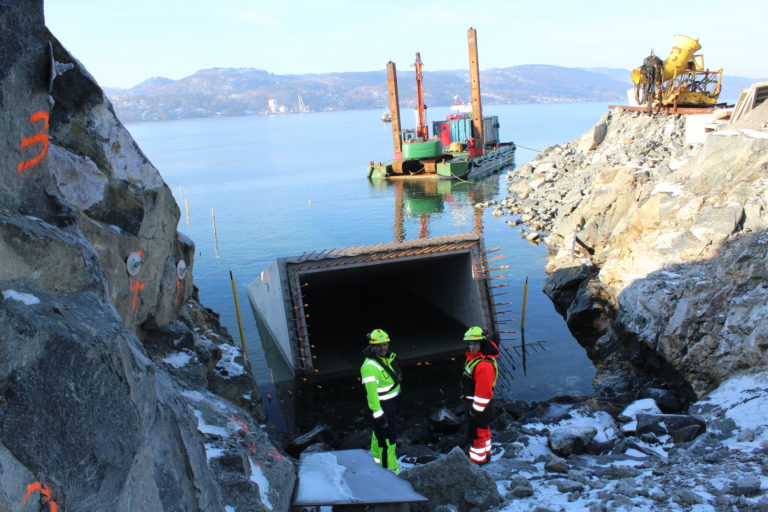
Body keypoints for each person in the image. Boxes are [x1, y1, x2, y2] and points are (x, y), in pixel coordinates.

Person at [360, 328, 402, 473]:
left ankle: (376, 463)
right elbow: (371, 396)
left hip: (389, 407)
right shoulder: (370, 367)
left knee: (378, 437)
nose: (383, 348)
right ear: (373, 346)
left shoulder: (384, 359)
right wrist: (380, 417)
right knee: (388, 441)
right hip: (382, 409)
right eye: (379, 345)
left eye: (385, 344)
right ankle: (390, 472)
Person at [460, 326, 500, 465]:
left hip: (480, 407)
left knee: (477, 435)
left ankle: (478, 461)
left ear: (482, 344)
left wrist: (474, 411)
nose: (471, 347)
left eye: (475, 344)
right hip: (479, 404)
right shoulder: (476, 359)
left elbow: (483, 394)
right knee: (484, 430)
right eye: (470, 344)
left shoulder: (484, 366)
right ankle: (486, 453)